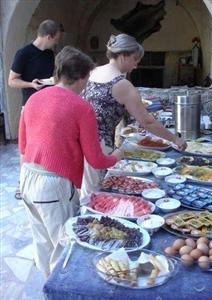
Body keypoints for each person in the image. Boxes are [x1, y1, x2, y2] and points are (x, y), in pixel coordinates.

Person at [18, 46, 123, 278]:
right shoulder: (81, 107)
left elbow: (23, 147)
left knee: (42, 243)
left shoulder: (34, 99)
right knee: (64, 247)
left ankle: (47, 287)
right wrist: (118, 155)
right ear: (82, 77)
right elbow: (96, 160)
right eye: (88, 78)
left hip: (27, 178)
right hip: (53, 186)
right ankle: (59, 289)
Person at [80, 33, 187, 197]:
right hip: (99, 145)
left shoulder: (93, 71)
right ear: (123, 56)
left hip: (80, 140)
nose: (136, 65)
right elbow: (147, 122)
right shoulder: (121, 84)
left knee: (86, 190)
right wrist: (175, 139)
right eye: (135, 59)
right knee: (95, 194)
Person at [8, 19, 63, 105]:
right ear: (48, 37)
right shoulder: (23, 53)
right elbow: (12, 81)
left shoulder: (50, 53)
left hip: (48, 102)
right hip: (31, 104)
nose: (56, 42)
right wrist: (31, 84)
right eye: (56, 39)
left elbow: (48, 77)